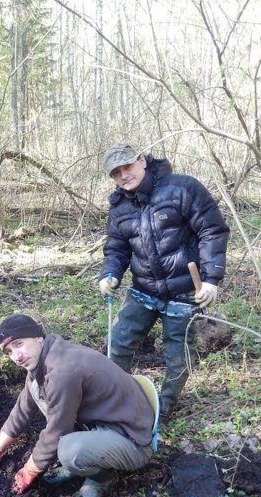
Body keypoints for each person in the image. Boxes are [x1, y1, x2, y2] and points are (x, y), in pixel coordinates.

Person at [98, 143, 230, 421]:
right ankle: (113, 400)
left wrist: (211, 279)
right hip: (144, 289)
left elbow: (212, 230)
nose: (124, 175)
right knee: (118, 343)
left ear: (142, 161)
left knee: (178, 356)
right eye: (116, 172)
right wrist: (110, 273)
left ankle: (162, 409)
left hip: (184, 293)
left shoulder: (182, 188)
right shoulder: (119, 206)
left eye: (128, 167)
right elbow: (117, 248)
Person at [0, 314, 156, 497]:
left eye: (19, 344)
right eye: (9, 352)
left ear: (38, 337)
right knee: (38, 394)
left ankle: (101, 479)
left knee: (68, 451)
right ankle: (85, 460)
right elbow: (21, 412)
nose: (16, 357)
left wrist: (29, 471)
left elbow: (56, 432)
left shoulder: (62, 371)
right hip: (108, 422)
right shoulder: (45, 358)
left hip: (133, 440)